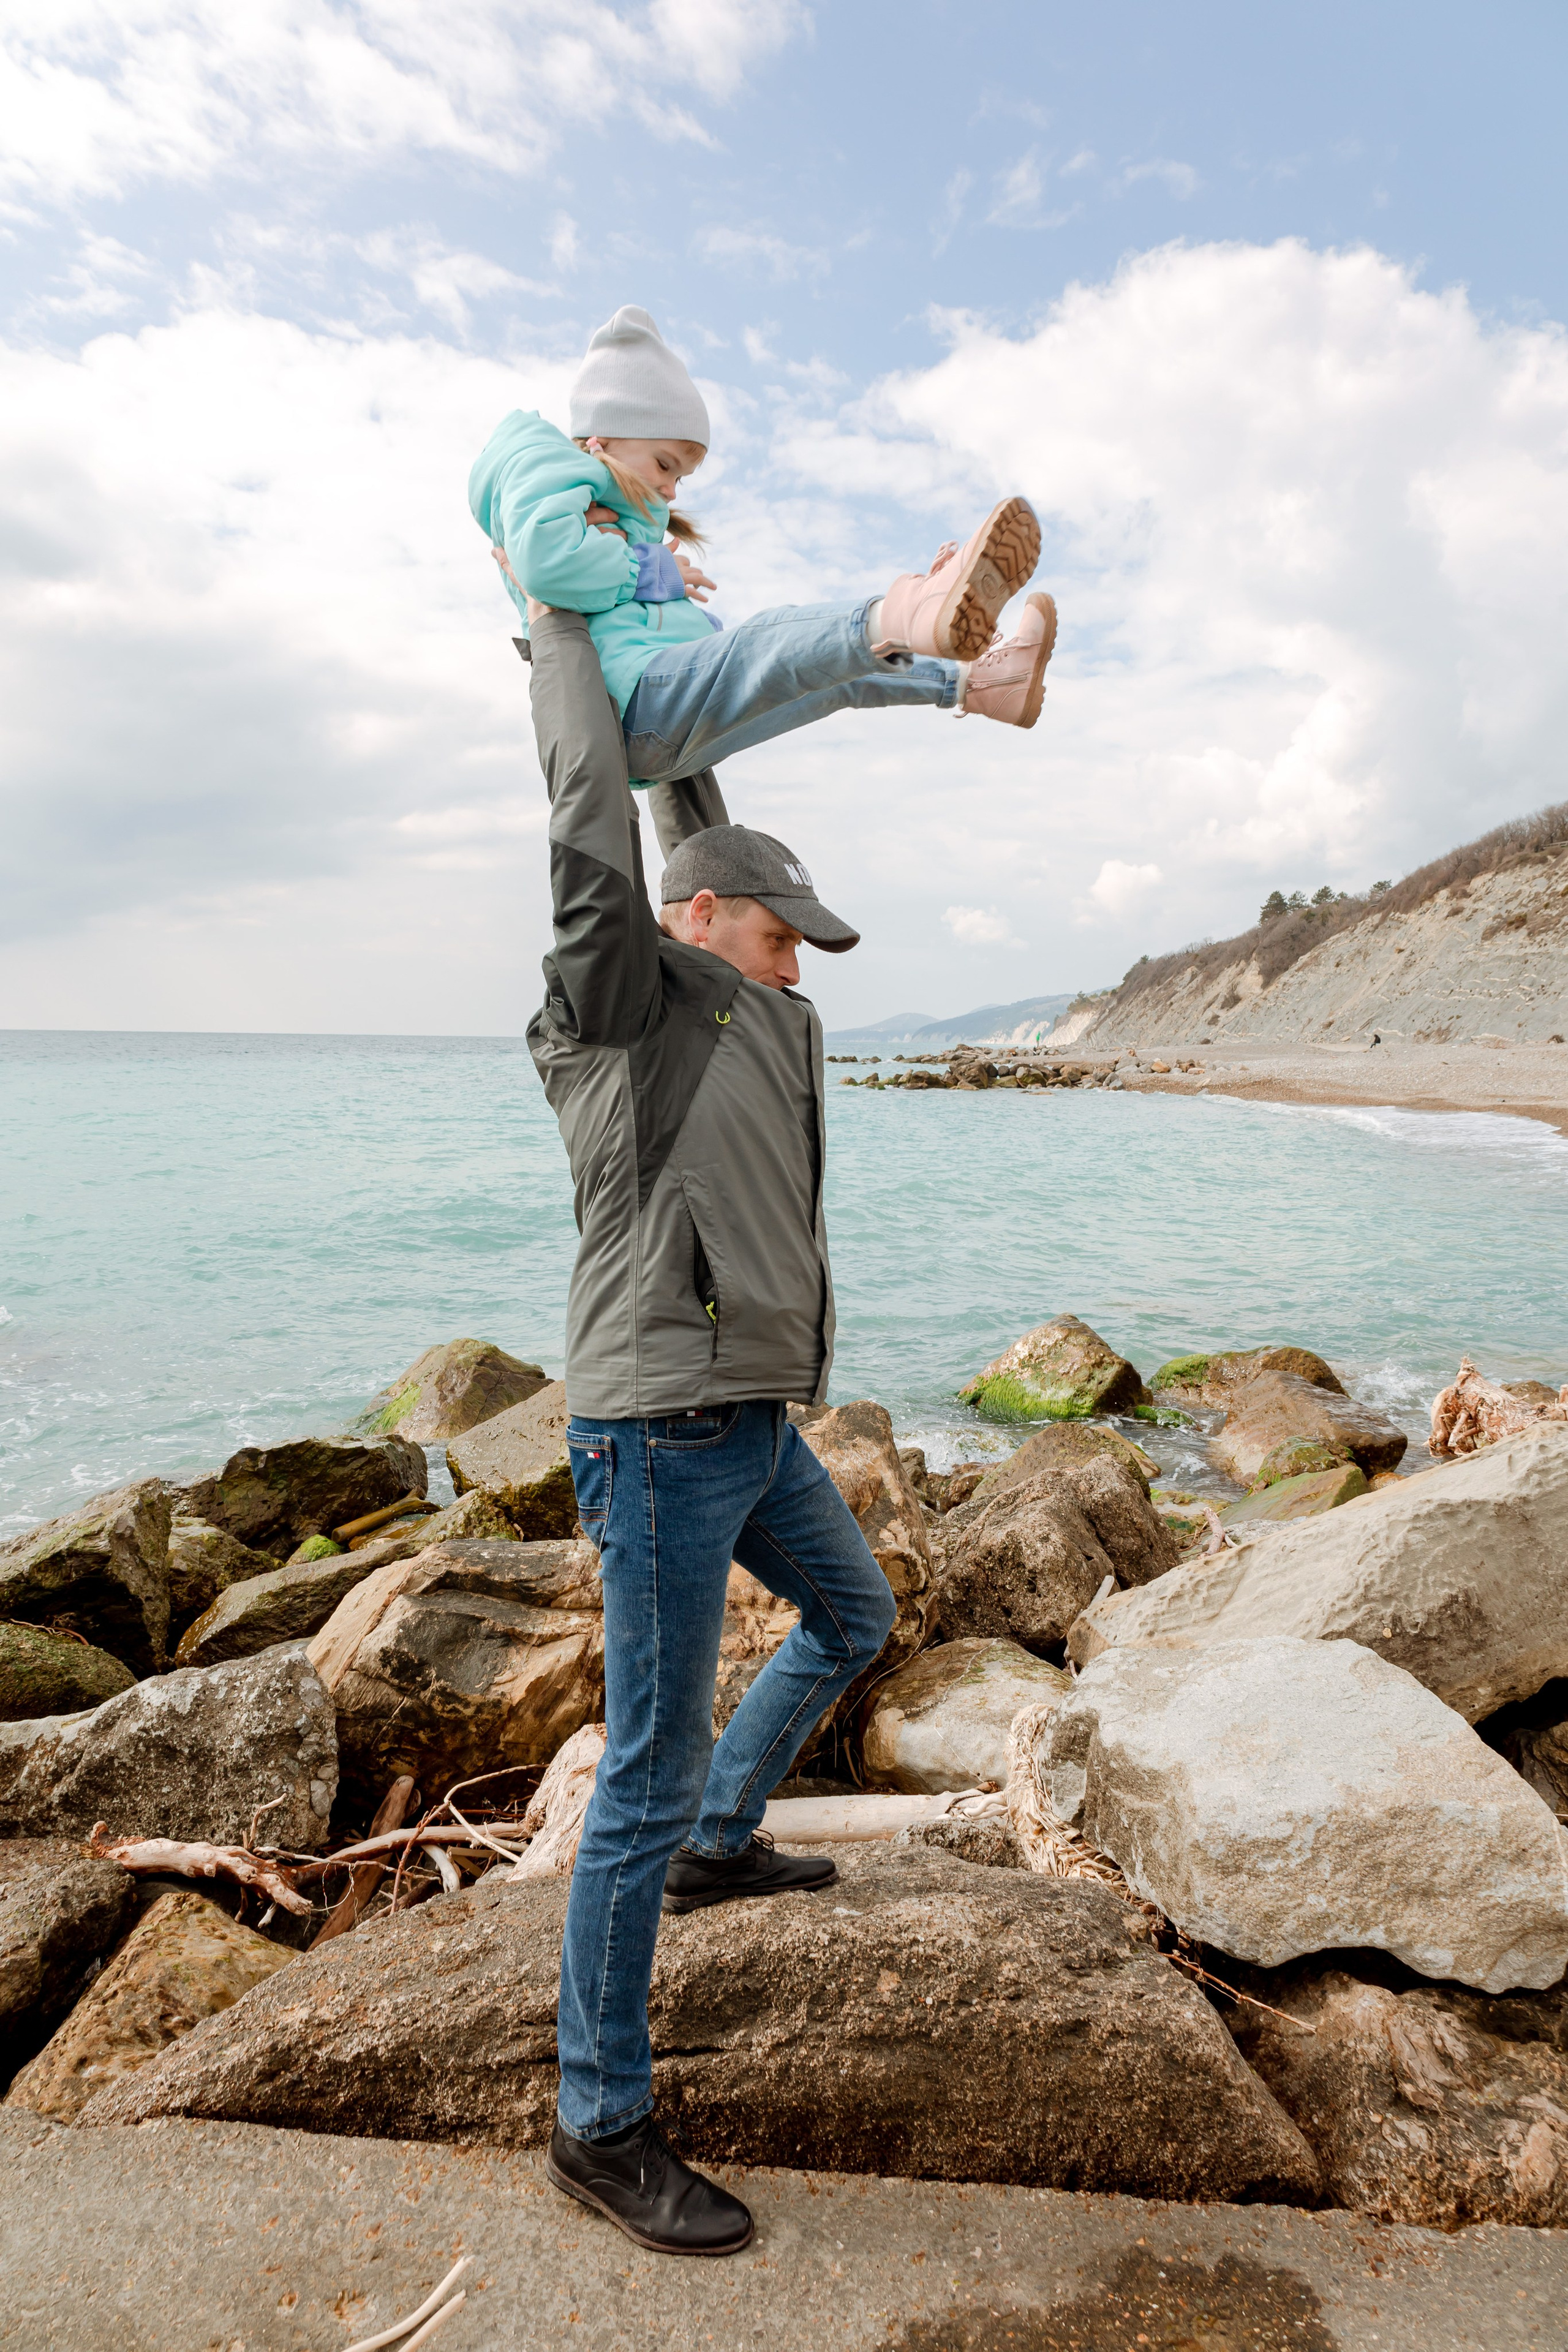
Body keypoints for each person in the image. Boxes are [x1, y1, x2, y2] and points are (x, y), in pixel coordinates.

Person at [524, 599, 897, 2258]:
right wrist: (563, 643)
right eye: (780, 929)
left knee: (858, 1615)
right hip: (662, 1434)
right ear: (702, 921)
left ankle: (729, 1842)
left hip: (749, 1418)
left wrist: (682, 648)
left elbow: (687, 812)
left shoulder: (757, 1011)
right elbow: (605, 841)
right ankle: (599, 2122)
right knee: (640, 1776)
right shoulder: (625, 1005)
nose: (799, 953)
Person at [468, 304, 1059, 785]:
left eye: (683, 477)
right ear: (601, 437)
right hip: (639, 701)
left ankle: (977, 685)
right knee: (770, 639)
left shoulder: (614, 506)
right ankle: (911, 609)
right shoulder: (546, 466)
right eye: (665, 464)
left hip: (661, 725)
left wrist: (649, 568)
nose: (672, 490)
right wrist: (653, 572)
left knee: (831, 671)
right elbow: (545, 562)